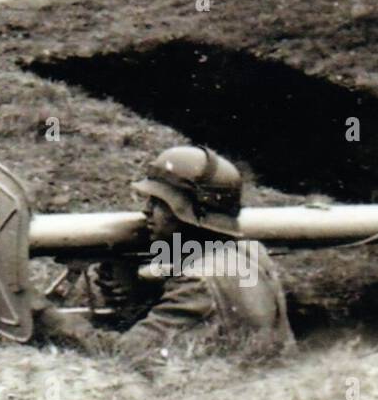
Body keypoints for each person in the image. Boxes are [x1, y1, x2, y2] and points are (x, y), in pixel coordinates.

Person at [33, 145, 295, 368]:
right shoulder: (251, 251)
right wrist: (139, 297)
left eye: (159, 203)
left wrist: (46, 318)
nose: (146, 211)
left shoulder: (197, 283)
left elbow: (126, 354)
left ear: (188, 213)